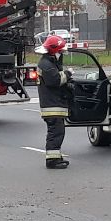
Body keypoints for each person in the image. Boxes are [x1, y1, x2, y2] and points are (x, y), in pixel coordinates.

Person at [36, 35, 74, 169]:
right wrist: (68, 74)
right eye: (60, 52)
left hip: (53, 104)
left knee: (57, 132)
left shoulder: (49, 63)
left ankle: (56, 157)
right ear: (54, 51)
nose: (62, 54)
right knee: (55, 133)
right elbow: (56, 81)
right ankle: (52, 160)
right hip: (52, 106)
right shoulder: (47, 65)